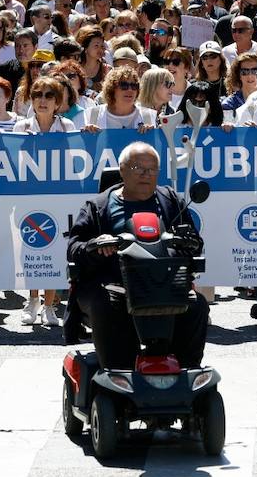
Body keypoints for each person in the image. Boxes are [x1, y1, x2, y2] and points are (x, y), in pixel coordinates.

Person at [66, 142, 210, 369]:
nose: (146, 175)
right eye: (138, 169)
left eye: (152, 169)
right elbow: (75, 248)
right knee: (106, 304)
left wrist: (187, 243)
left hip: (163, 285)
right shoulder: (98, 206)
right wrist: (96, 246)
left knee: (196, 305)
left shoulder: (171, 201)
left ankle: (186, 373)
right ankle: (119, 374)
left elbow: (195, 242)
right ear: (122, 170)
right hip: (114, 286)